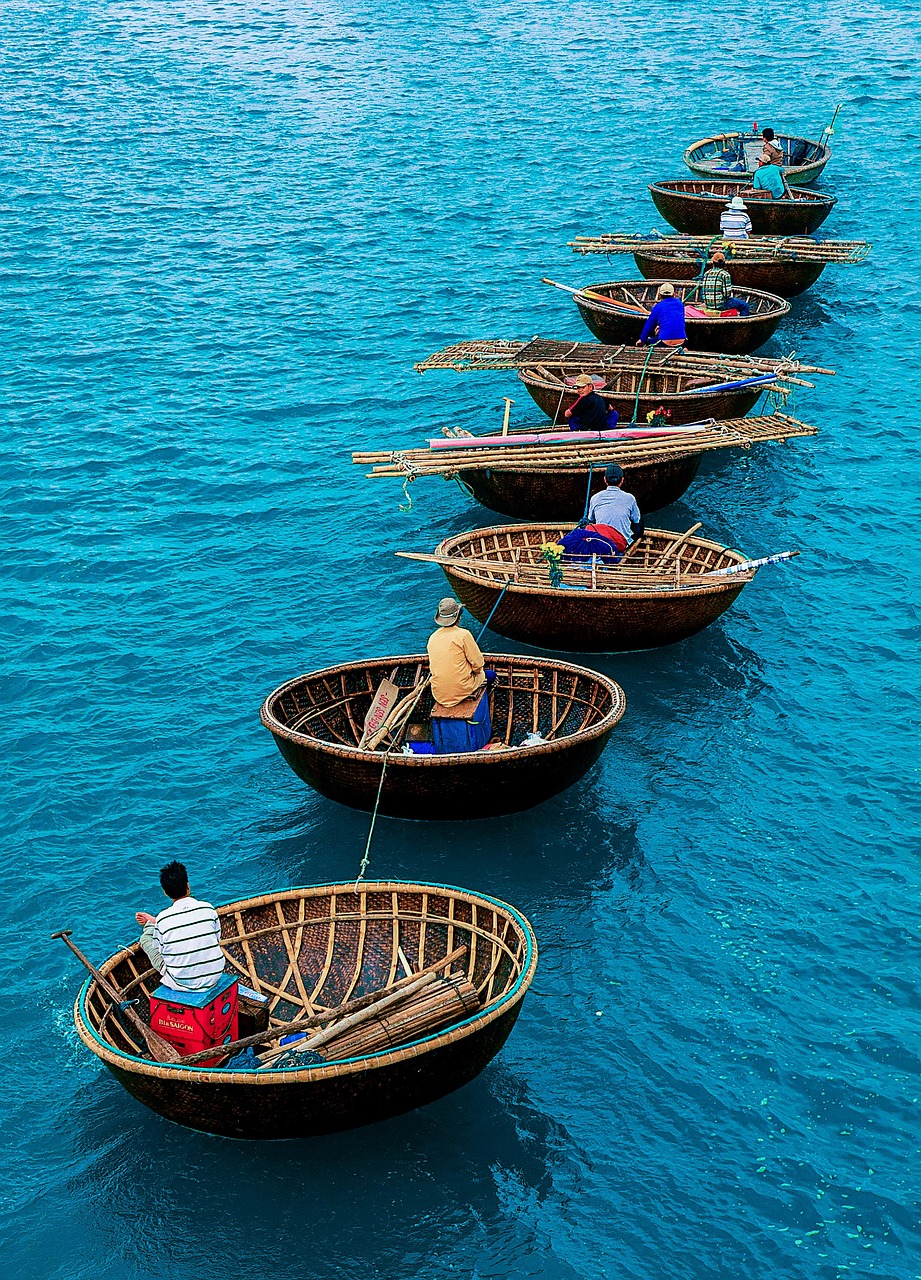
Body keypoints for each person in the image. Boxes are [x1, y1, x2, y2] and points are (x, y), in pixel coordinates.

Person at [135, 861, 225, 993]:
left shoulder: (163, 918)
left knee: (146, 938)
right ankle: (152, 922)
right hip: (215, 975)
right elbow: (217, 938)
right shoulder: (208, 908)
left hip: (181, 982)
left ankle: (150, 924)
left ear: (165, 892)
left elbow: (161, 949)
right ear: (188, 886)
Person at [427, 598, 494, 708]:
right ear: (458, 617)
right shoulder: (464, 635)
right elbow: (478, 664)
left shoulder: (432, 637)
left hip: (438, 694)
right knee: (491, 675)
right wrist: (477, 673)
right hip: (462, 689)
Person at [586, 464, 644, 546]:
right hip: (621, 543)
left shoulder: (595, 498)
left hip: (601, 541)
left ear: (605, 479)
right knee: (639, 519)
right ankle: (632, 542)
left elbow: (590, 519)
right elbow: (636, 520)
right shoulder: (630, 498)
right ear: (622, 480)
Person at [701, 251, 750, 316]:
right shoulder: (725, 274)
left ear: (713, 263)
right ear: (724, 263)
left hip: (708, 304)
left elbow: (703, 291)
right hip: (721, 305)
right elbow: (727, 294)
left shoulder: (706, 274)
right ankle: (743, 321)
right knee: (745, 306)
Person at [637, 283, 686, 347]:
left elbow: (649, 326)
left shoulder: (658, 306)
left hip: (665, 342)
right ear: (674, 294)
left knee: (648, 341)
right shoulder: (680, 304)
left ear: (659, 295)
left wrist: (642, 340)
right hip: (682, 341)